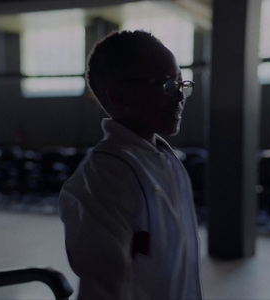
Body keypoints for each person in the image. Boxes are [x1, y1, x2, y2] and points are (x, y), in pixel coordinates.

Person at [59, 30, 203, 300]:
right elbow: (102, 288)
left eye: (182, 84)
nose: (180, 96)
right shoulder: (105, 175)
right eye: (167, 84)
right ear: (118, 96)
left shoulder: (166, 159)